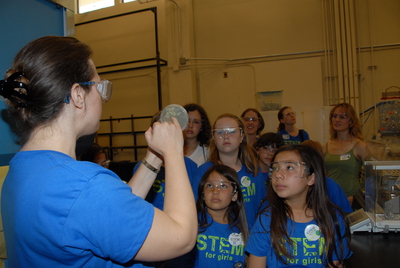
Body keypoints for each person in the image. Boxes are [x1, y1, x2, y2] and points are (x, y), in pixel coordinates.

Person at [0, 36, 197, 267]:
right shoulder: (83, 185)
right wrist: (174, 151)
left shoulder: (22, 167)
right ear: (77, 96)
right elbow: (181, 237)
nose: (102, 98)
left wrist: (154, 158)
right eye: (98, 86)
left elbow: (111, 213)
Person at [246, 145, 352, 267]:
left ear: (311, 178)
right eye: (275, 168)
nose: (278, 175)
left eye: (289, 167)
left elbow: (335, 263)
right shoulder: (266, 220)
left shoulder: (333, 219)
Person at [191, 113, 266, 230]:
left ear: (241, 136)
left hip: (250, 238)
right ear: (214, 137)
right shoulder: (203, 171)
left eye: (231, 131)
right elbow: (194, 209)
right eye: (220, 132)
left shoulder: (253, 171)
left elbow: (263, 206)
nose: (226, 136)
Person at [194, 165, 249, 268]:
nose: (215, 191)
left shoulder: (243, 230)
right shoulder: (191, 224)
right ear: (202, 194)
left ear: (234, 195)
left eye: (223, 186)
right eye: (209, 185)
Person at [323, 103, 371, 206]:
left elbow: (371, 174)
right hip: (329, 199)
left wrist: (359, 196)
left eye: (342, 117)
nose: (337, 120)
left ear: (351, 121)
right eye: (334, 116)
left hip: (351, 199)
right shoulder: (325, 147)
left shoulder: (360, 146)